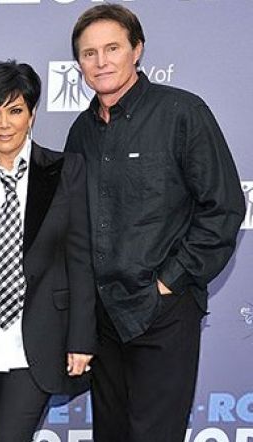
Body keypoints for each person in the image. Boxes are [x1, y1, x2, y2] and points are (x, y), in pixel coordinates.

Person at [65, 5, 245, 441]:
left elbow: (223, 208)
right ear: (79, 64)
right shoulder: (81, 132)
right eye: (89, 53)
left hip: (162, 314)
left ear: (137, 50)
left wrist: (168, 283)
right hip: (104, 320)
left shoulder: (182, 113)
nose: (101, 61)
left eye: (112, 48)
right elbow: (76, 229)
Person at [0, 60, 95, 442]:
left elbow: (80, 260)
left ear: (32, 115)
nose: (3, 124)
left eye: (14, 111)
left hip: (38, 339)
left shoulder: (66, 170)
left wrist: (81, 339)